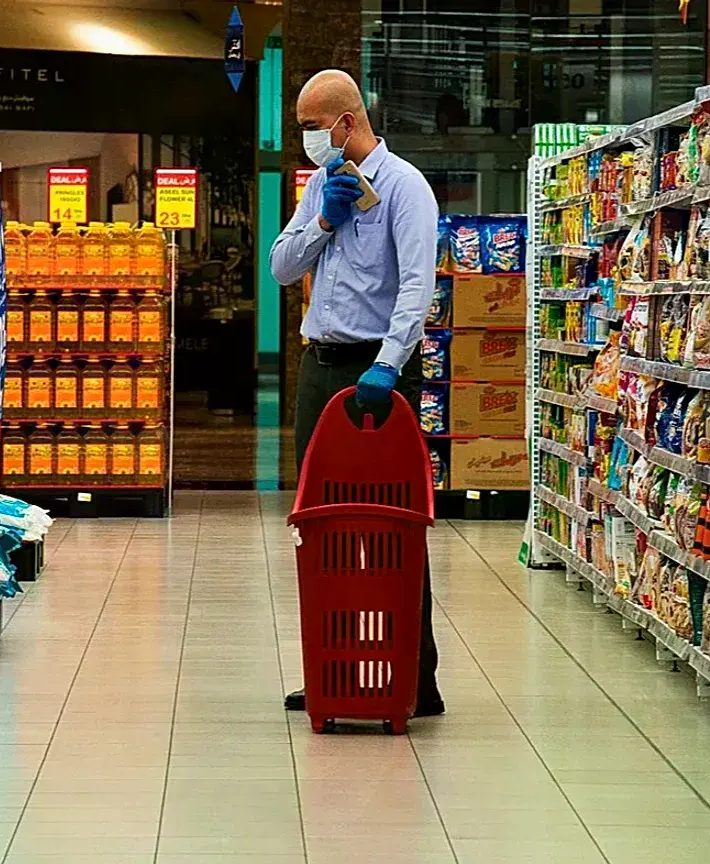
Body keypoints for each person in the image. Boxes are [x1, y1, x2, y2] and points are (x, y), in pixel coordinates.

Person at [270, 69, 443, 718]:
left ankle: (416, 680)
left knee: (393, 524)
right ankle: (333, 668)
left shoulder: (406, 189)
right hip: (321, 368)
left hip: (379, 373)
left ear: (346, 122)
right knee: (322, 523)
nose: (308, 143)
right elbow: (282, 268)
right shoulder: (320, 184)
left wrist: (390, 367)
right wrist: (321, 221)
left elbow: (416, 289)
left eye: (313, 129)